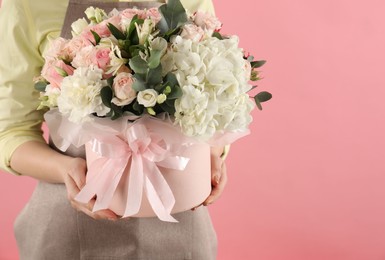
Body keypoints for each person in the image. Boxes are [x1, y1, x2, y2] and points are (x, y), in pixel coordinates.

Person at [0, 0, 228, 259]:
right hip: (68, 228)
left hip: (180, 221)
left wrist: (213, 153)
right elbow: (10, 131)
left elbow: (217, 103)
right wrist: (67, 170)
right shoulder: (28, 5)